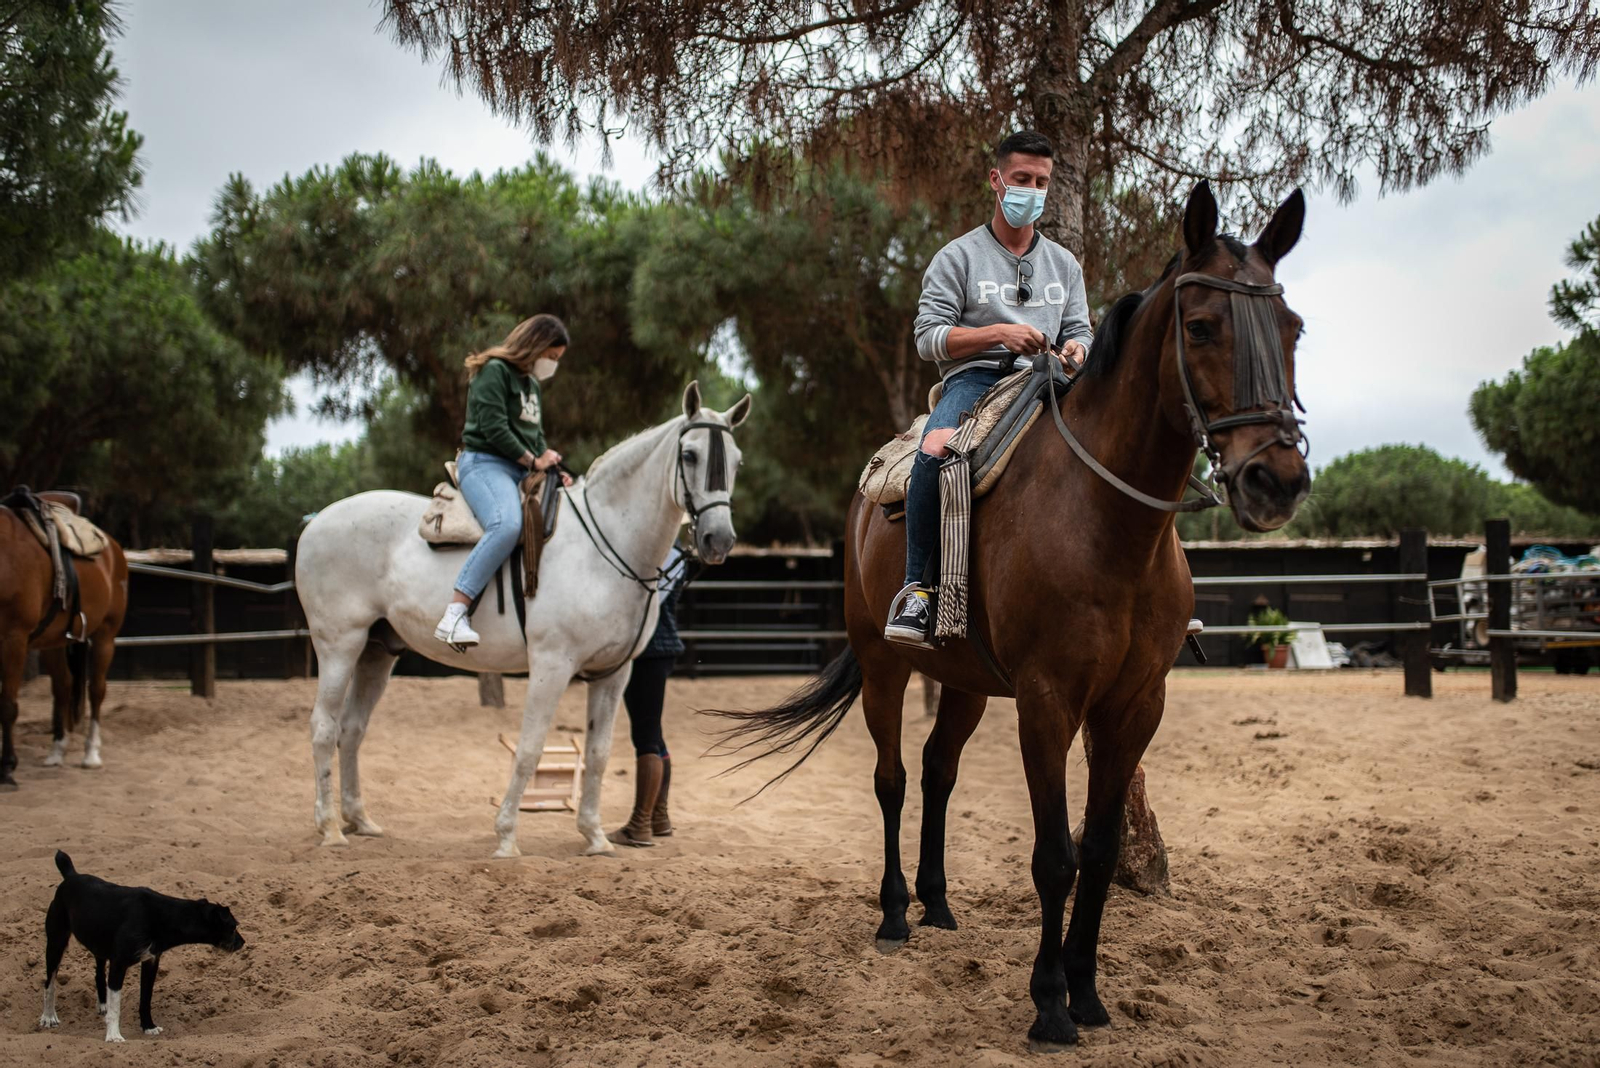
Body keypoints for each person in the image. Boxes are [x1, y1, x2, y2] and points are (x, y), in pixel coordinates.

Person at [884, 131, 1094, 648]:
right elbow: (928, 338)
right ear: (996, 181)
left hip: (1052, 381)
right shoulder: (957, 257)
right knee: (933, 451)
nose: (1033, 191)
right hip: (976, 381)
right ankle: (918, 589)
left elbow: (1081, 330)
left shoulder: (1064, 264)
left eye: (1042, 182)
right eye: (1022, 179)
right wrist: (999, 333)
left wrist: (1077, 352)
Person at [433, 314, 573, 647]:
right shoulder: (494, 371)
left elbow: (535, 436)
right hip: (483, 463)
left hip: (520, 470)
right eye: (551, 357)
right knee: (506, 524)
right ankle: (455, 613)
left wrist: (551, 466)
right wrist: (532, 459)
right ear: (535, 346)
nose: (552, 365)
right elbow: (494, 427)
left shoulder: (532, 385)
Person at [609, 541, 691, 847]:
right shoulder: (679, 552)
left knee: (646, 739)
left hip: (648, 650)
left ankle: (639, 825)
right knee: (654, 734)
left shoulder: (660, 551)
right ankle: (659, 817)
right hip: (662, 648)